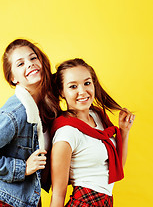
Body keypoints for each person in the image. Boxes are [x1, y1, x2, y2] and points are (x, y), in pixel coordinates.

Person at [0, 39, 59, 207]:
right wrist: (23, 168)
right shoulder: (16, 113)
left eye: (33, 58)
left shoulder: (44, 107)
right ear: (13, 78)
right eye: (20, 64)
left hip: (28, 199)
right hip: (5, 202)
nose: (29, 64)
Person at [50, 58, 135, 207]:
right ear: (61, 91)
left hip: (105, 202)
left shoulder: (98, 116)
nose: (82, 91)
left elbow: (117, 166)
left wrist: (124, 131)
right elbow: (58, 195)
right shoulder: (66, 133)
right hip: (85, 202)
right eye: (73, 86)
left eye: (87, 83)